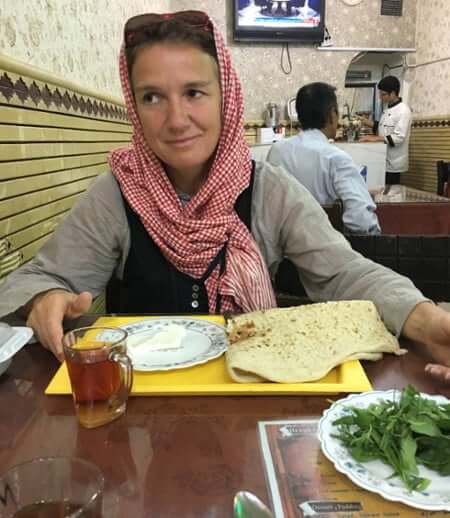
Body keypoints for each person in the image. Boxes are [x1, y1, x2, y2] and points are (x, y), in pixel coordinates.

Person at [0, 10, 448, 390]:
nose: (176, 120)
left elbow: (345, 273)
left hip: (254, 397)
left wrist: (426, 321)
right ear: (134, 107)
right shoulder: (119, 193)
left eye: (194, 92)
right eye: (152, 97)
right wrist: (45, 298)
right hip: (142, 413)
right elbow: (40, 277)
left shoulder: (269, 189)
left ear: (225, 98)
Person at [267, 82, 381, 235]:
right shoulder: (335, 158)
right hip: (322, 251)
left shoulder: (277, 151)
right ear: (332, 115)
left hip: (279, 250)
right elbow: (361, 222)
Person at [359, 75, 412, 186]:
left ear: (392, 93)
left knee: (391, 195)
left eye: (383, 94)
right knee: (382, 193)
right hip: (383, 159)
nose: (380, 97)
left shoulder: (404, 110)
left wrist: (374, 139)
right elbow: (383, 128)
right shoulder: (388, 109)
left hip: (394, 162)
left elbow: (399, 137)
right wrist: (366, 122)